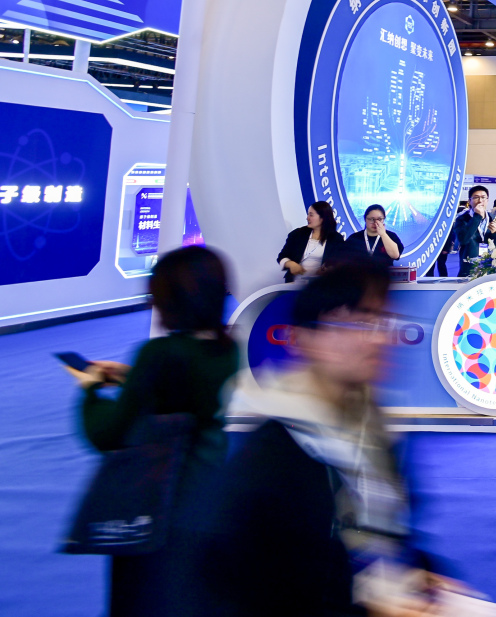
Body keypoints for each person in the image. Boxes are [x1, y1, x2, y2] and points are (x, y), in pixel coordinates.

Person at [212, 265, 468, 617]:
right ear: (306, 338)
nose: (378, 338)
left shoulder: (375, 428)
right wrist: (370, 608)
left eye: (382, 321)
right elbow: (271, 590)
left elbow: (387, 538)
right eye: (359, 322)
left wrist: (421, 573)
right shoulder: (273, 456)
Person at [66, 246, 240, 617]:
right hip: (213, 500)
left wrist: (90, 390)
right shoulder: (228, 350)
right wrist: (132, 379)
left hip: (156, 509)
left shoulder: (159, 354)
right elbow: (189, 394)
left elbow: (108, 434)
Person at [277, 201, 345, 282]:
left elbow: (340, 263)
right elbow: (281, 257)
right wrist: (290, 264)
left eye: (311, 215)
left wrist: (329, 269)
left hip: (320, 284)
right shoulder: (297, 234)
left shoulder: (336, 239)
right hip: (294, 282)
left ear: (322, 218)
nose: (307, 218)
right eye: (308, 214)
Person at [453, 184, 496, 275]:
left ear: (487, 200)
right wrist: (477, 217)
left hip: (491, 268)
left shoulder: (494, 219)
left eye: (483, 197)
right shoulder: (462, 219)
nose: (480, 201)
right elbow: (463, 239)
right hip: (469, 269)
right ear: (470, 201)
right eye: (476, 197)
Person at [342, 203, 403, 268]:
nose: (376, 223)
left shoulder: (391, 236)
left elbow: (395, 256)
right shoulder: (355, 238)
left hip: (383, 273)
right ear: (365, 219)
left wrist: (383, 234)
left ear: (384, 219)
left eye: (379, 219)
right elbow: (344, 258)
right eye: (372, 219)